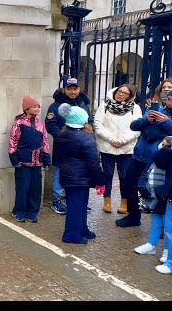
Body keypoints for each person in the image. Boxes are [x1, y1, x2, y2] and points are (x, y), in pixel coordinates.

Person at [116, 89, 172, 228]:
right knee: (130, 185)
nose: (170, 103)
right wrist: (146, 120)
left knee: (156, 190)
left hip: (158, 159)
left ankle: (160, 225)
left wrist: (166, 123)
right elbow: (134, 126)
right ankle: (133, 216)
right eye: (169, 99)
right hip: (139, 154)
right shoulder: (156, 109)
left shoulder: (166, 118)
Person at [54, 104, 105, 244]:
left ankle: (82, 229)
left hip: (68, 176)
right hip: (79, 178)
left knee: (79, 205)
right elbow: (93, 163)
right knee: (76, 207)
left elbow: (58, 157)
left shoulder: (62, 134)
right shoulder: (86, 138)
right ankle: (71, 235)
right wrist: (100, 180)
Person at [45, 77, 92, 215]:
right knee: (60, 171)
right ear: (63, 89)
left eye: (75, 88)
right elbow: (50, 124)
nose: (72, 91)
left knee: (76, 171)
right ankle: (57, 200)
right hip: (63, 145)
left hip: (81, 144)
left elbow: (89, 122)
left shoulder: (83, 103)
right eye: (69, 88)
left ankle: (71, 199)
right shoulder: (55, 106)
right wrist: (64, 137)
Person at [93, 84, 142, 214]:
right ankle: (107, 200)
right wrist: (111, 140)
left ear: (130, 96)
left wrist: (121, 141)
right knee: (107, 174)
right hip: (107, 146)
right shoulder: (104, 106)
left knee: (124, 175)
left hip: (126, 148)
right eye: (120, 91)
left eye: (125, 93)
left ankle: (124, 201)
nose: (121, 94)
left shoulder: (135, 109)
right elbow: (98, 125)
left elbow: (136, 129)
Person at [8, 95, 51, 223]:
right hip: (23, 162)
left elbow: (45, 142)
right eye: (34, 106)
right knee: (22, 188)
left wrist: (46, 160)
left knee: (35, 189)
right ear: (26, 109)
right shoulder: (19, 123)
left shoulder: (40, 124)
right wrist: (14, 159)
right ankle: (19, 211)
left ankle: (32, 212)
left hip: (37, 163)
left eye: (38, 106)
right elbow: (12, 141)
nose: (37, 108)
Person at [133, 136, 172, 273]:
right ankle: (151, 244)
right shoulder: (156, 159)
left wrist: (163, 194)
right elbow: (145, 173)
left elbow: (169, 178)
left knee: (169, 228)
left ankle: (168, 253)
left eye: (164, 145)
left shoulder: (165, 158)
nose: (160, 146)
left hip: (164, 196)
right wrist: (143, 188)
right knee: (157, 222)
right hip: (156, 196)